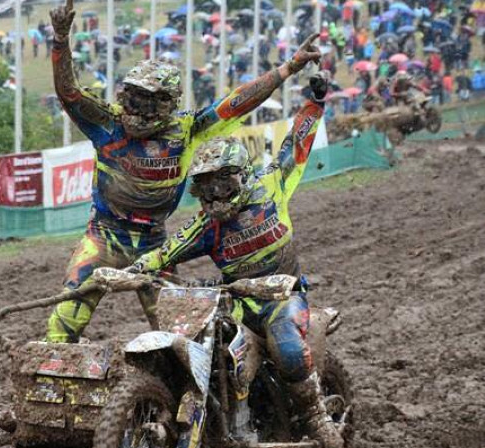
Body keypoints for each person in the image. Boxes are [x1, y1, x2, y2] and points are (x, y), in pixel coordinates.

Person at [44, 0, 321, 345]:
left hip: (156, 241)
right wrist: (60, 38)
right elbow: (69, 92)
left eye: (152, 103)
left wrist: (289, 68)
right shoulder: (107, 123)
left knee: (180, 330)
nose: (141, 112)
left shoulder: (186, 129)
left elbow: (236, 103)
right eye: (135, 101)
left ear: (169, 103)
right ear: (122, 97)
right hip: (105, 234)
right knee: (69, 311)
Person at [128, 71, 345, 448]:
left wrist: (315, 102)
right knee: (189, 350)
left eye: (222, 183)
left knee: (288, 348)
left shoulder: (271, 186)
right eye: (205, 185)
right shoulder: (205, 225)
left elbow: (297, 143)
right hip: (235, 305)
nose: (214, 193)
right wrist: (132, 271)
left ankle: (316, 416)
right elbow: (165, 252)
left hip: (281, 298)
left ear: (242, 177)